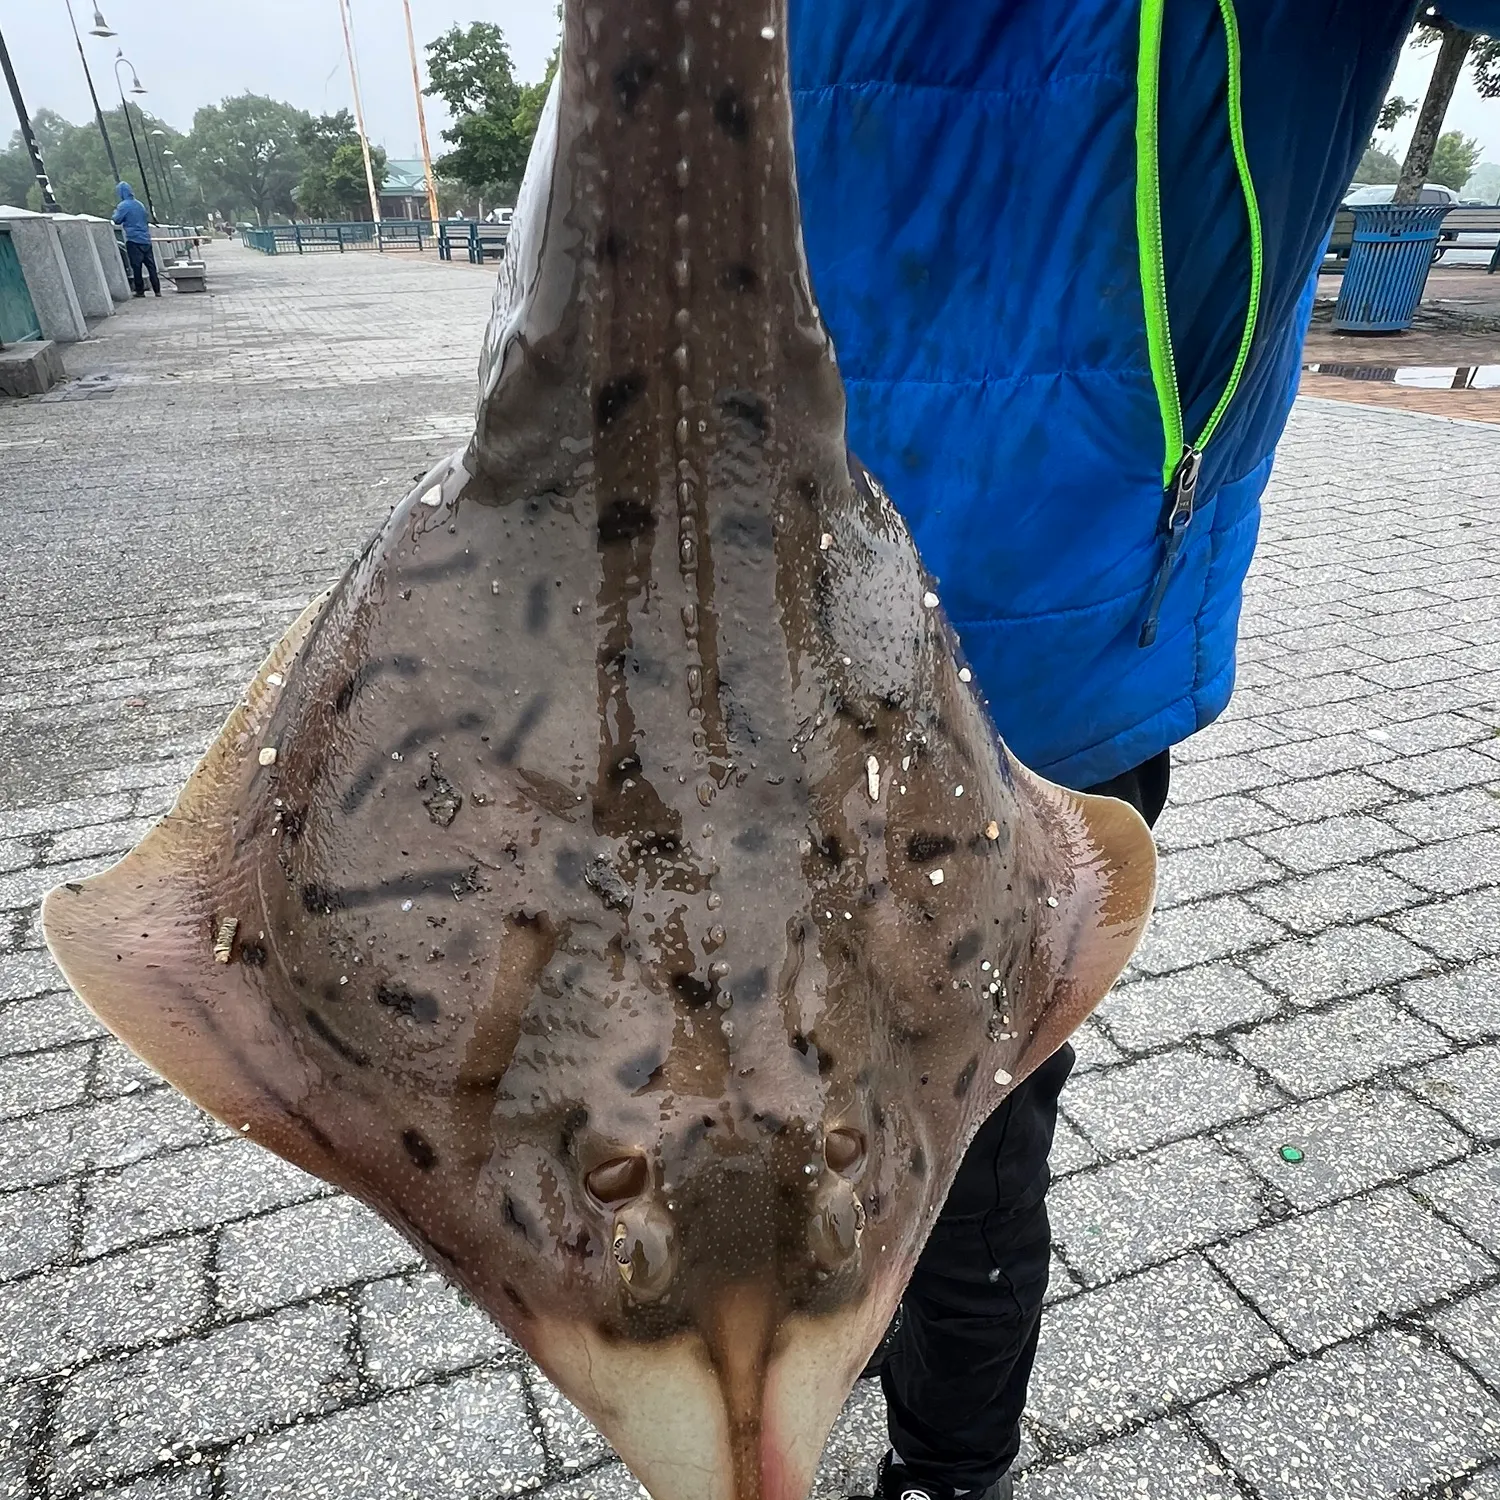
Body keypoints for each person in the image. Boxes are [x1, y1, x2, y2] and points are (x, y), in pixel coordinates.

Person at [784, 1, 1500, 1497]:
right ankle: (823, 1356)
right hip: (755, 604)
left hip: (1043, 634)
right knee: (793, 1070)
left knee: (963, 1122)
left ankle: (945, 1460)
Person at [111, 182, 159, 299]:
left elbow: (117, 220)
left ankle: (140, 291)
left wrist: (114, 213)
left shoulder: (123, 206)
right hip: (146, 240)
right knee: (151, 266)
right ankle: (157, 290)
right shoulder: (140, 204)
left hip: (133, 240)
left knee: (136, 267)